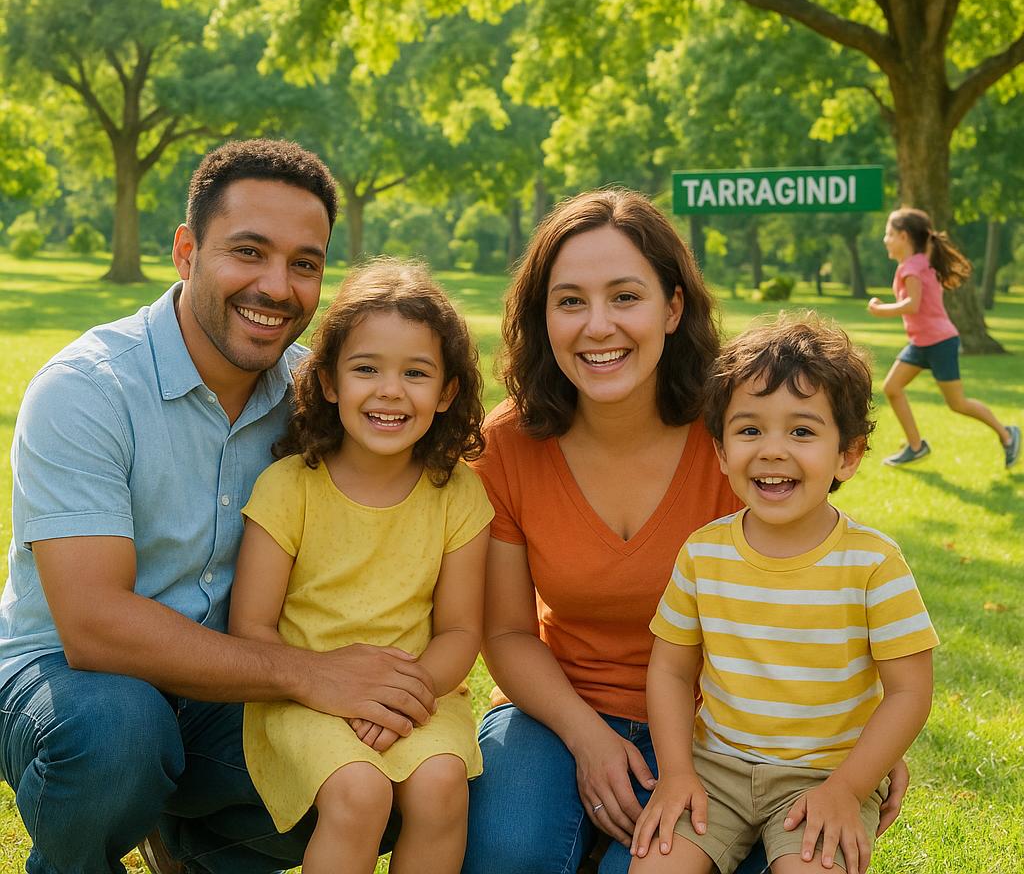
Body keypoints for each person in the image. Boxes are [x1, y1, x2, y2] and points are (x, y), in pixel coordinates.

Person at [0, 140, 437, 874]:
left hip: (228, 691)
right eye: (248, 252)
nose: (277, 286)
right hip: (72, 683)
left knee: (388, 765)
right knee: (118, 735)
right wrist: (309, 674)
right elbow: (94, 628)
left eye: (305, 263)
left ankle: (192, 848)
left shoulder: (317, 397)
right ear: (186, 252)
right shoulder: (87, 390)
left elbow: (422, 476)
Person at [461, 188, 902, 874]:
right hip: (556, 710)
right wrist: (588, 740)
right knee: (507, 853)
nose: (598, 326)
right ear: (542, 317)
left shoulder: (739, 435)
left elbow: (814, 585)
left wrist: (855, 743)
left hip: (727, 738)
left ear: (672, 308)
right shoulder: (509, 443)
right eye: (569, 301)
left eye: (625, 297)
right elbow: (508, 633)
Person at [630, 315, 937, 874]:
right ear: (721, 452)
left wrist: (848, 789)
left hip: (826, 776)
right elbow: (671, 671)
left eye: (801, 432)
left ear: (848, 454)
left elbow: (909, 693)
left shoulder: (874, 564)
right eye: (749, 431)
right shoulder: (702, 553)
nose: (772, 451)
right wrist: (676, 773)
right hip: (714, 769)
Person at [229, 259, 493, 874]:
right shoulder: (288, 488)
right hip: (301, 696)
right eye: (366, 369)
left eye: (416, 373)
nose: (390, 391)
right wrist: (336, 692)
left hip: (420, 694)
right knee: (360, 790)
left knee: (442, 784)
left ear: (447, 392)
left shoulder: (458, 493)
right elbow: (251, 628)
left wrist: (402, 699)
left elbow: (460, 631)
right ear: (328, 382)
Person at [867, 206, 1020, 468]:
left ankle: (1008, 435)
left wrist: (880, 310)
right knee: (892, 388)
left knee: (957, 403)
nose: (885, 240)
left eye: (889, 234)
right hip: (921, 342)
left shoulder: (912, 267)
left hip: (939, 342)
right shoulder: (920, 261)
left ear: (904, 236)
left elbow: (913, 304)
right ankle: (916, 447)